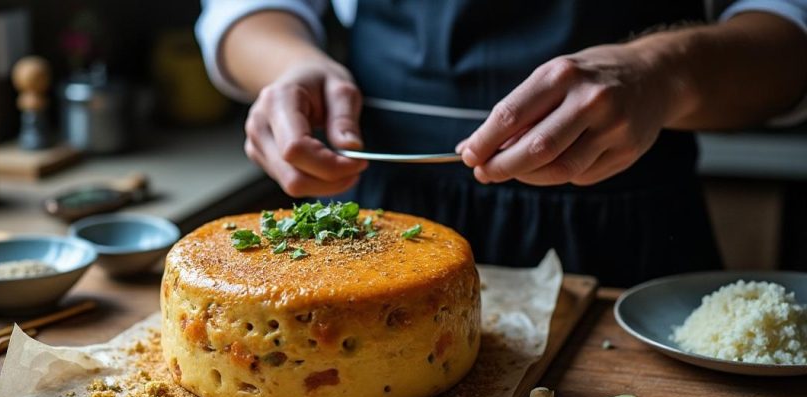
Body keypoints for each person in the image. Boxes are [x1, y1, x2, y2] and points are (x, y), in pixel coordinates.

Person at [196, 1, 807, 286]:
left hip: (622, 225)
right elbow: (246, 11)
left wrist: (658, 70)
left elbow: (788, 38)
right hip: (368, 211)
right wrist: (288, 66)